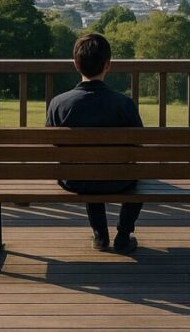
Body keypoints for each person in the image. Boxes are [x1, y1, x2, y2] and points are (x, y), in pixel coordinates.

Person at [46, 33, 144, 254]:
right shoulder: (124, 104)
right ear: (108, 65)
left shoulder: (58, 104)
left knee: (86, 166)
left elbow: (51, 146)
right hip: (119, 181)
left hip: (76, 181)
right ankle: (124, 233)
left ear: (75, 64)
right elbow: (139, 147)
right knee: (134, 172)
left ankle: (100, 235)